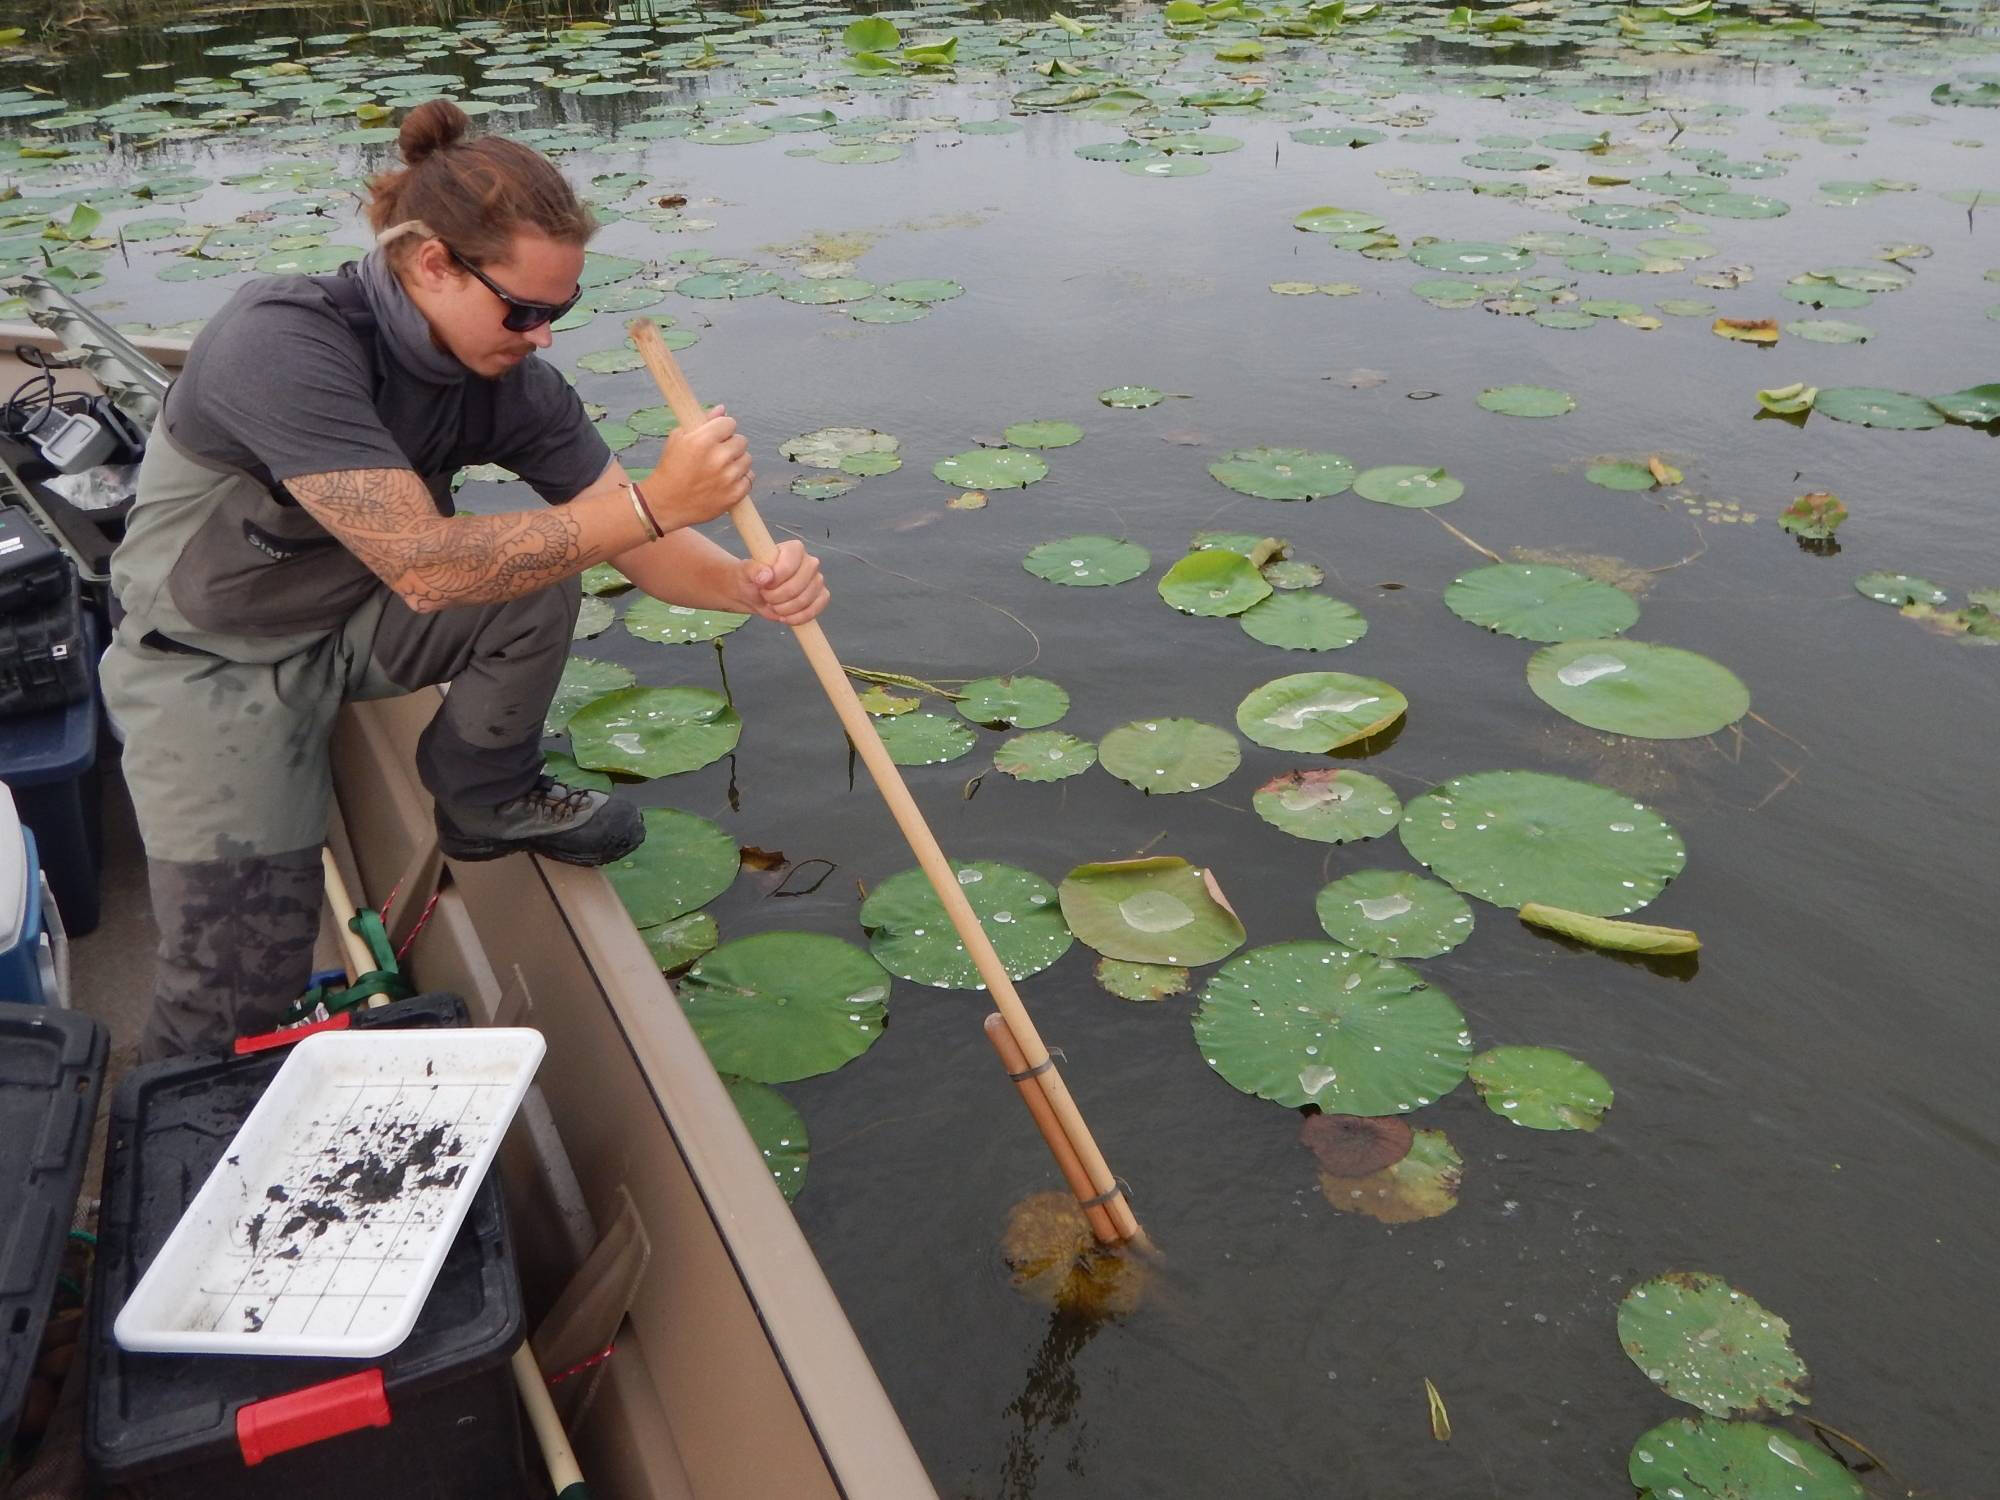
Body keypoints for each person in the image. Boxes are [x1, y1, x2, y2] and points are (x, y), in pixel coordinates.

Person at [101, 98, 828, 1060]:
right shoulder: (282, 340)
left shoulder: (507, 378)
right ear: (434, 263)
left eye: (560, 312)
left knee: (541, 564)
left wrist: (746, 587)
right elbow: (425, 564)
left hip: (347, 620)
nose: (543, 337)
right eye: (525, 311)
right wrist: (657, 501)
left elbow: (627, 538)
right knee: (241, 978)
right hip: (211, 659)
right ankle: (188, 1157)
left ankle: (485, 795)